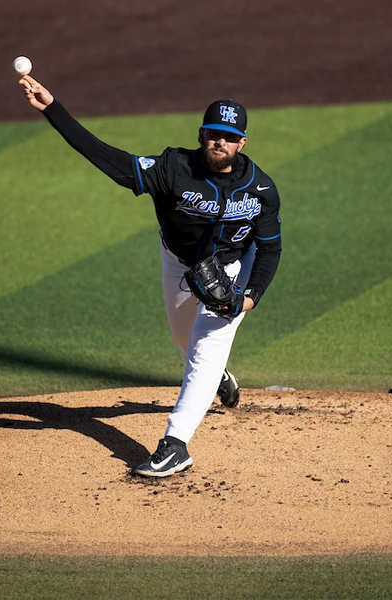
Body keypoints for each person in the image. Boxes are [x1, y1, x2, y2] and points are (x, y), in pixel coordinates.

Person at [19, 75, 282, 477]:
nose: (219, 142)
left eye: (228, 137)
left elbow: (270, 248)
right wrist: (54, 109)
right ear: (201, 134)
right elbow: (114, 163)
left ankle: (176, 444)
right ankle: (218, 379)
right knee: (183, 338)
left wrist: (248, 297)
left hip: (232, 266)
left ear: (241, 143)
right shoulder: (173, 168)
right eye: (213, 134)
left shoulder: (260, 189)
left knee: (206, 344)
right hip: (179, 263)